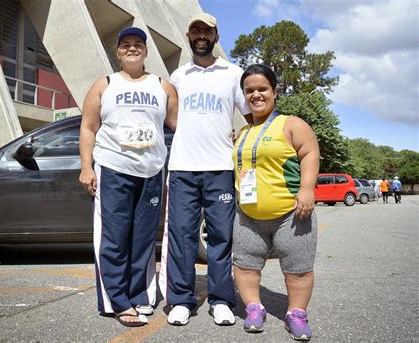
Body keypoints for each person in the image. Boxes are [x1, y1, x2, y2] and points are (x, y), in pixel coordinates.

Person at [79, 26, 178, 327]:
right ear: (118, 52)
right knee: (114, 238)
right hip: (113, 169)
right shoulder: (104, 85)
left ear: (146, 51)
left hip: (151, 171)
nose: (132, 48)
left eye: (138, 44)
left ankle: (139, 295)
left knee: (144, 239)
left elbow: (180, 126)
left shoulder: (163, 86)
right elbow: (88, 127)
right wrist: (86, 167)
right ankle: (117, 300)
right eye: (126, 45)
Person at [158, 12, 250, 326]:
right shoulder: (178, 75)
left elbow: (252, 115)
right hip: (182, 167)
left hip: (221, 168)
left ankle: (222, 300)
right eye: (195, 31)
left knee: (221, 238)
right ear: (188, 37)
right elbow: (170, 119)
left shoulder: (233, 73)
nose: (201, 36)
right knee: (182, 236)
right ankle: (181, 300)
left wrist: (244, 137)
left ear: (215, 36)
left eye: (207, 31)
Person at [232, 64, 320, 341]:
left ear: (274, 92)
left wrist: (307, 189)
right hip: (248, 215)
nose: (255, 95)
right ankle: (254, 309)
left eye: (262, 89)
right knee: (245, 266)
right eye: (249, 91)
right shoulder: (243, 131)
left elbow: (310, 153)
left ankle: (296, 315)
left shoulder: (291, 123)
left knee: (298, 269)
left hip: (291, 213)